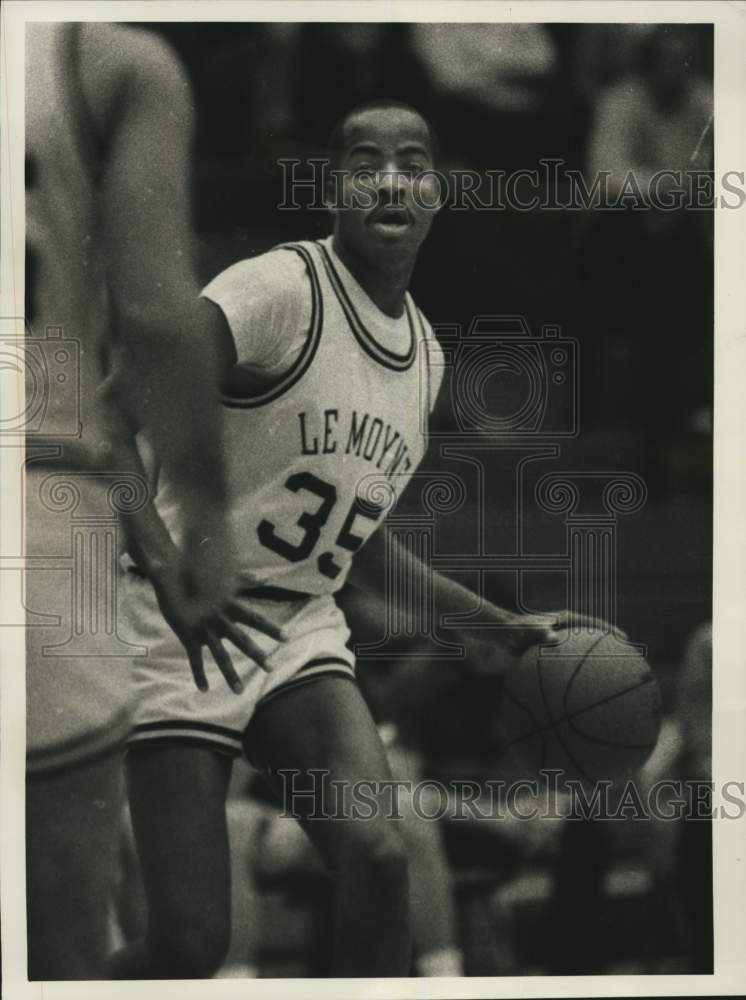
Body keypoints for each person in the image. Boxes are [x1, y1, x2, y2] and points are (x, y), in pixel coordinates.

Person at [110, 99, 605, 980]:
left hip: (298, 627)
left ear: (437, 192)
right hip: (173, 621)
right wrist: (163, 564)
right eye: (365, 161)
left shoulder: (425, 357)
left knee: (380, 856)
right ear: (331, 187)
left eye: (413, 163)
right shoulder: (277, 289)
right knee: (188, 947)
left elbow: (363, 547)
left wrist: (494, 624)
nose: (391, 178)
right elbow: (113, 410)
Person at [24, 22, 272, 979]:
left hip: (60, 484)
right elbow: (157, 316)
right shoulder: (104, 61)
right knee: (55, 961)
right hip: (38, 515)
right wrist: (202, 524)